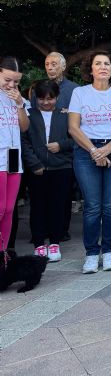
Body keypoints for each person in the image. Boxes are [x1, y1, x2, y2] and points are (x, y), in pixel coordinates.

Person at [68, 51, 111, 273]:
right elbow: (73, 127)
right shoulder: (80, 93)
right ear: (91, 69)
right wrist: (95, 151)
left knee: (110, 204)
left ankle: (109, 251)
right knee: (93, 205)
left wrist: (108, 148)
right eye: (98, 63)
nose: (103, 67)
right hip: (87, 150)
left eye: (107, 63)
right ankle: (92, 254)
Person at [21, 80, 74, 261]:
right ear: (36, 98)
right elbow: (24, 141)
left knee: (57, 207)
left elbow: (76, 139)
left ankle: (54, 243)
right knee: (37, 207)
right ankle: (38, 244)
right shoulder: (28, 114)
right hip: (37, 169)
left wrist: (61, 145)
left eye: (50, 99)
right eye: (41, 99)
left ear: (57, 98)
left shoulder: (66, 115)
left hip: (62, 168)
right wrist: (34, 164)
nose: (45, 102)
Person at [0, 56, 30, 250]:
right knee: (0, 209)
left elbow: (24, 127)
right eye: (7, 80)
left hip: (13, 158)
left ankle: (3, 254)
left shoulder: (19, 98)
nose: (11, 85)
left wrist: (19, 104)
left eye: (16, 82)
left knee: (10, 210)